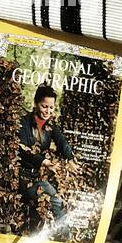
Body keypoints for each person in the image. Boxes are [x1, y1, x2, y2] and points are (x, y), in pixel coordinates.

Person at [17, 84, 74, 226]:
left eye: (51, 107)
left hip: (37, 175)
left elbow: (61, 141)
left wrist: (70, 158)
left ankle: (59, 236)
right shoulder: (23, 123)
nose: (47, 111)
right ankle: (61, 235)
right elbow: (23, 150)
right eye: (44, 106)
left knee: (52, 207)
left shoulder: (49, 126)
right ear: (35, 103)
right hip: (23, 176)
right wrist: (44, 162)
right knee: (53, 203)